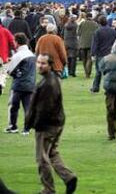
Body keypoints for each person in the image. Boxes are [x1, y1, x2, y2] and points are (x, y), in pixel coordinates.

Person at [25, 54, 77, 194]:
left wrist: (34, 124)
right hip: (57, 122)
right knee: (52, 153)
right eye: (39, 62)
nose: (40, 65)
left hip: (47, 126)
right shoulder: (51, 79)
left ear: (50, 65)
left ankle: (48, 190)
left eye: (43, 63)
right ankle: (69, 177)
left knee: (42, 158)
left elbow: (44, 109)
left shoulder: (48, 83)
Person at [4, 33, 36, 135]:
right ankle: (26, 129)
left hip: (18, 85)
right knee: (27, 107)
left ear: (17, 42)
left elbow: (9, 70)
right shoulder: (31, 54)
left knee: (14, 107)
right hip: (30, 84)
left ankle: (13, 126)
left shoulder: (18, 55)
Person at [90, 16, 116, 93]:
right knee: (109, 72)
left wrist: (93, 54)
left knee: (99, 71)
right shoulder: (113, 31)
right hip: (110, 53)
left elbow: (95, 43)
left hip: (101, 54)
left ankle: (95, 87)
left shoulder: (97, 31)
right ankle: (109, 88)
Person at [77, 13, 98, 78]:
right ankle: (88, 74)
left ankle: (86, 72)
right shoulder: (95, 24)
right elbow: (97, 33)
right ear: (92, 17)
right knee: (89, 58)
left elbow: (78, 33)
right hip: (91, 43)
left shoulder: (82, 23)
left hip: (82, 43)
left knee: (84, 59)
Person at [0, 21, 15, 95]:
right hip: (4, 55)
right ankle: (1, 83)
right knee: (4, 71)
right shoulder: (5, 31)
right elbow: (12, 41)